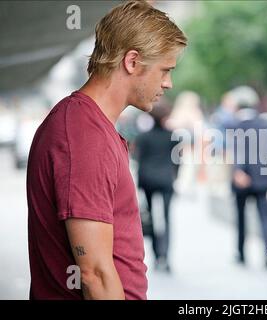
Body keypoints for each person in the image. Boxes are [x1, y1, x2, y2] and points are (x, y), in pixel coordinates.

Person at [26, 1, 187, 299]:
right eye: (165, 70)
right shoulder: (83, 135)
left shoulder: (88, 125)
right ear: (132, 62)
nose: (168, 83)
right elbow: (94, 274)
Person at [230, 86, 267, 269]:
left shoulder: (235, 125)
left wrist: (238, 171)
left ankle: (241, 254)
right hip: (262, 178)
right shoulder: (265, 124)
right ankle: (266, 256)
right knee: (264, 216)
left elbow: (237, 152)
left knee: (241, 217)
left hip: (241, 178)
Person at [134, 103, 179, 273]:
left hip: (148, 180)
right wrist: (175, 177)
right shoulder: (173, 136)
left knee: (152, 218)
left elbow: (139, 160)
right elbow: (177, 161)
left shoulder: (143, 137)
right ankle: (165, 256)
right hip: (166, 180)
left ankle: (156, 255)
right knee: (167, 219)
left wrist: (139, 184)